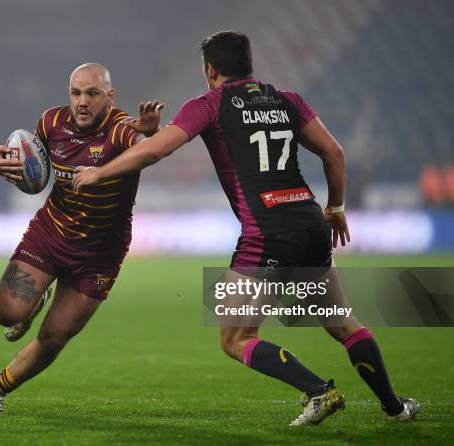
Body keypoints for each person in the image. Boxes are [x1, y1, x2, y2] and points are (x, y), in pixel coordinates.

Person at [73, 31, 419, 425]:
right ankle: (395, 408)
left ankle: (319, 392)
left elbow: (156, 149)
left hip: (266, 235)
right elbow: (334, 153)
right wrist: (336, 207)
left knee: (236, 338)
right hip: (310, 224)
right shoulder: (287, 100)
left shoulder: (210, 104)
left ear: (210, 69)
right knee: (343, 324)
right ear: (249, 64)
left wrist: (99, 173)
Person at [0, 63, 163, 413]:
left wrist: (152, 135)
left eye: (92, 94)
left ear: (110, 97)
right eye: (76, 92)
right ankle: (33, 302)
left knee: (53, 338)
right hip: (50, 233)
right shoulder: (51, 122)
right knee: (6, 314)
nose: (82, 101)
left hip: (99, 255)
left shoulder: (122, 129)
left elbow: (148, 149)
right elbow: (23, 158)